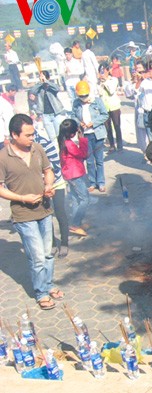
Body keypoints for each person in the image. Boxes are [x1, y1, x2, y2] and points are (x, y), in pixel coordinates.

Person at [0, 114, 63, 310]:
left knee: (48, 253)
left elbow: (48, 170)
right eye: (28, 135)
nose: (32, 138)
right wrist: (22, 198)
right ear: (14, 135)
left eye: (33, 134)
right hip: (23, 214)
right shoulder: (3, 157)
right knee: (36, 256)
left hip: (44, 209)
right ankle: (41, 293)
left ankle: (49, 284)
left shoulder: (37, 149)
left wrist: (49, 185)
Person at [33, 130, 70, 258]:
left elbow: (56, 167)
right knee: (47, 215)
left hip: (56, 183)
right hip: (39, 185)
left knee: (60, 213)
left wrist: (48, 183)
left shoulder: (45, 144)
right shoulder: (22, 148)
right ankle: (52, 243)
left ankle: (64, 243)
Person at [71, 80, 108, 193]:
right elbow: (73, 116)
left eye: (85, 95)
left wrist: (94, 122)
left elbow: (105, 115)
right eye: (81, 96)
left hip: (97, 134)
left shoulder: (96, 101)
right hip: (85, 136)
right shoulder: (76, 103)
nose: (83, 97)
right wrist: (79, 123)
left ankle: (101, 182)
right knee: (90, 161)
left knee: (99, 161)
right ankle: (92, 182)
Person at [57, 119, 90, 237]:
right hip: (75, 175)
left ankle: (76, 223)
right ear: (72, 133)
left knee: (76, 199)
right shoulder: (69, 144)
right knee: (85, 199)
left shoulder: (63, 141)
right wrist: (82, 139)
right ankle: (75, 224)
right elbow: (83, 154)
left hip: (70, 174)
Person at [29, 70, 66, 141]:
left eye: (43, 76)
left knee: (60, 135)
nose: (41, 78)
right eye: (40, 76)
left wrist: (47, 81)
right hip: (45, 115)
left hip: (56, 113)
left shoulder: (51, 86)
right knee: (52, 137)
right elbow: (32, 91)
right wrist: (40, 83)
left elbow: (57, 88)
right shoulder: (39, 88)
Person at [98, 61, 122, 152]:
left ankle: (119, 145)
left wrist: (106, 81)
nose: (102, 73)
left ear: (108, 70)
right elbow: (99, 93)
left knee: (117, 126)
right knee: (107, 127)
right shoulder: (99, 82)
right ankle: (112, 145)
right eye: (100, 71)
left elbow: (111, 91)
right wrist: (100, 83)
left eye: (103, 70)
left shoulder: (113, 80)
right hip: (104, 107)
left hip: (114, 106)